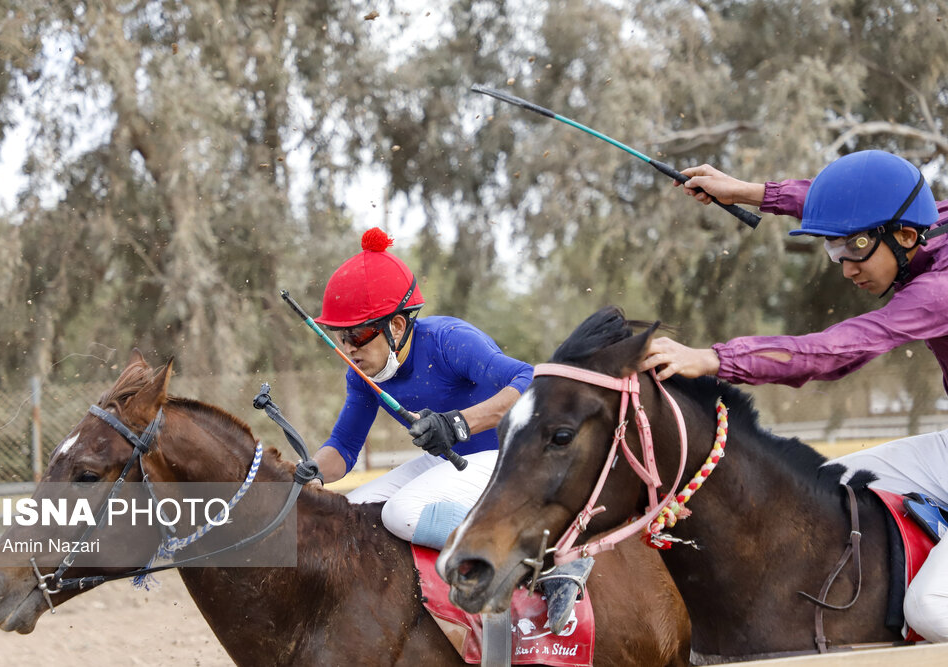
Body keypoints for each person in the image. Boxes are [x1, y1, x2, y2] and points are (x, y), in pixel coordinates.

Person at [638, 149, 948, 641]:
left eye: (855, 249)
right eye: (836, 250)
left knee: (930, 609)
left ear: (906, 237)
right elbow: (839, 202)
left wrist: (715, 359)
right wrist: (742, 190)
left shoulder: (938, 291)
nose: (845, 268)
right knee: (829, 487)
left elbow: (833, 351)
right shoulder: (928, 219)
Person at [310, 227, 591, 632]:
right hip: (450, 464)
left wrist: (459, 423)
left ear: (399, 328)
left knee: (401, 512)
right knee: (351, 515)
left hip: (505, 458)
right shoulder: (363, 374)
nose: (348, 349)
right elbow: (343, 446)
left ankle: (541, 562)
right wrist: (308, 472)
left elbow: (530, 381)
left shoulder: (449, 340)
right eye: (340, 337)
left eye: (357, 334)